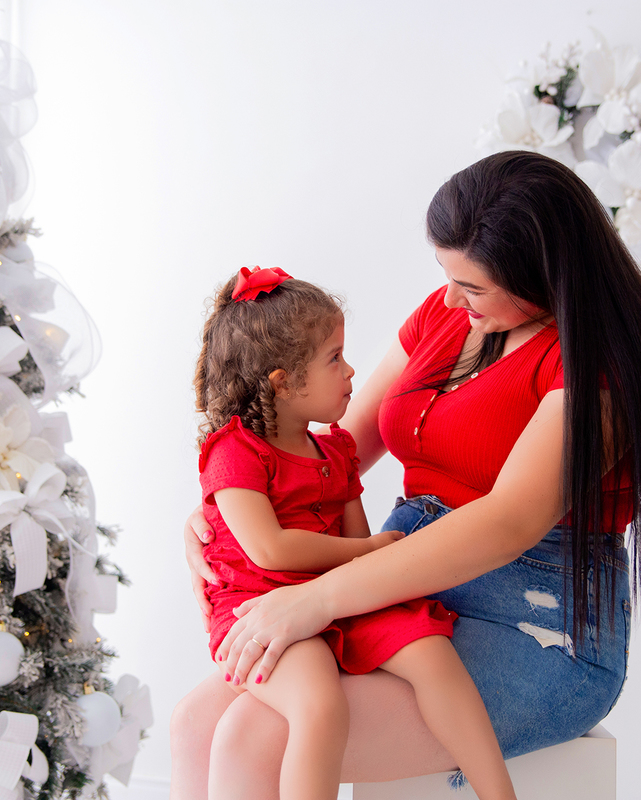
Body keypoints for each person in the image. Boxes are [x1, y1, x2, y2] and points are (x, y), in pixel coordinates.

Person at [172, 151, 641, 800]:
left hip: (532, 619)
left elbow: (507, 524)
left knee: (254, 735)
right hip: (396, 583)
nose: (450, 297)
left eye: (472, 286)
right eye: (446, 275)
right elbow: (326, 447)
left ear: (545, 275)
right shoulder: (449, 316)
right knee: (195, 726)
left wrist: (317, 599)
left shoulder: (600, 368)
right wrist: (227, 505)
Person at [191, 265, 519, 800]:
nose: (350, 372)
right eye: (334, 359)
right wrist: (368, 550)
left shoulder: (336, 451)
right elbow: (270, 550)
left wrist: (365, 558)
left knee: (432, 652)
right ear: (283, 383)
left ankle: (498, 794)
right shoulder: (234, 452)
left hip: (333, 590)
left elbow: (354, 548)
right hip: (261, 600)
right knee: (319, 704)